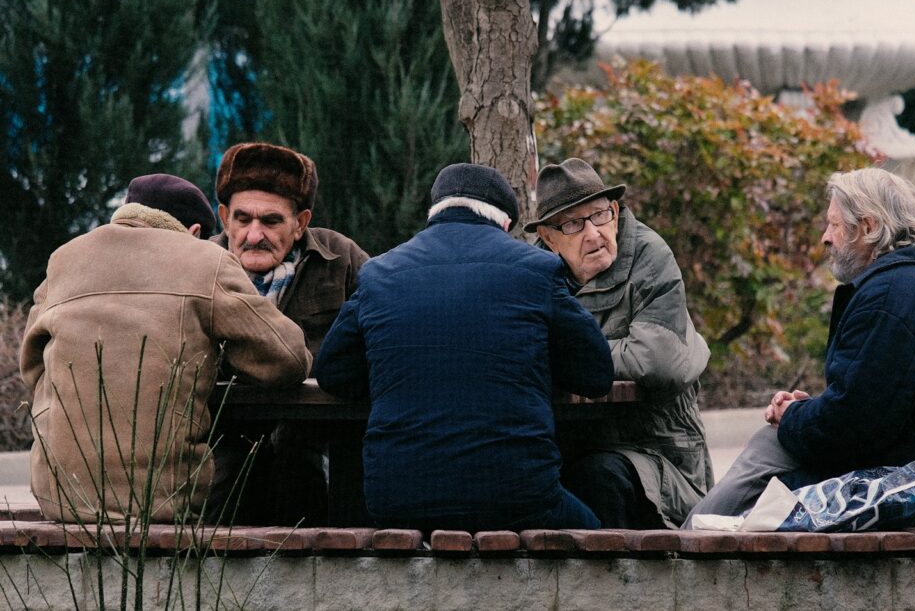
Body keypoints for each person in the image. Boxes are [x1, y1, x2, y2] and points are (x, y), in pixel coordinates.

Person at [686, 167, 915, 528]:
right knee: (770, 455)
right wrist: (807, 409)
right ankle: (693, 539)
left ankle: (689, 549)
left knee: (767, 457)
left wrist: (792, 417)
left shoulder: (889, 298)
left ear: (867, 228)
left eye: (834, 225)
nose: (825, 237)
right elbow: (870, 405)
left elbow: (848, 429)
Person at [314, 163, 614, 531]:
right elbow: (597, 375)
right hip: (518, 497)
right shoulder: (537, 269)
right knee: (600, 540)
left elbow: (332, 372)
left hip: (397, 501)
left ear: (434, 213)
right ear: (505, 223)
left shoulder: (379, 273)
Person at [21, 174, 311, 524]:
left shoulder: (62, 260)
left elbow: (33, 368)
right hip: (162, 502)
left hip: (61, 500)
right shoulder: (204, 260)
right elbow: (289, 358)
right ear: (193, 232)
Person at [525, 158, 712, 529]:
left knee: (598, 478)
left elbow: (657, 360)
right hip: (568, 442)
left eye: (599, 215)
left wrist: (572, 359)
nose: (593, 233)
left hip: (657, 451)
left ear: (614, 211)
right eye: (573, 224)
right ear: (548, 238)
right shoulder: (534, 271)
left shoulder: (649, 255)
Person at [210, 142, 369, 526]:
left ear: (300, 223)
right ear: (223, 217)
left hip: (318, 442)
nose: (254, 234)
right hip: (223, 443)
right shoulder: (199, 266)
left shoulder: (341, 259)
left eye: (271, 221)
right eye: (242, 219)